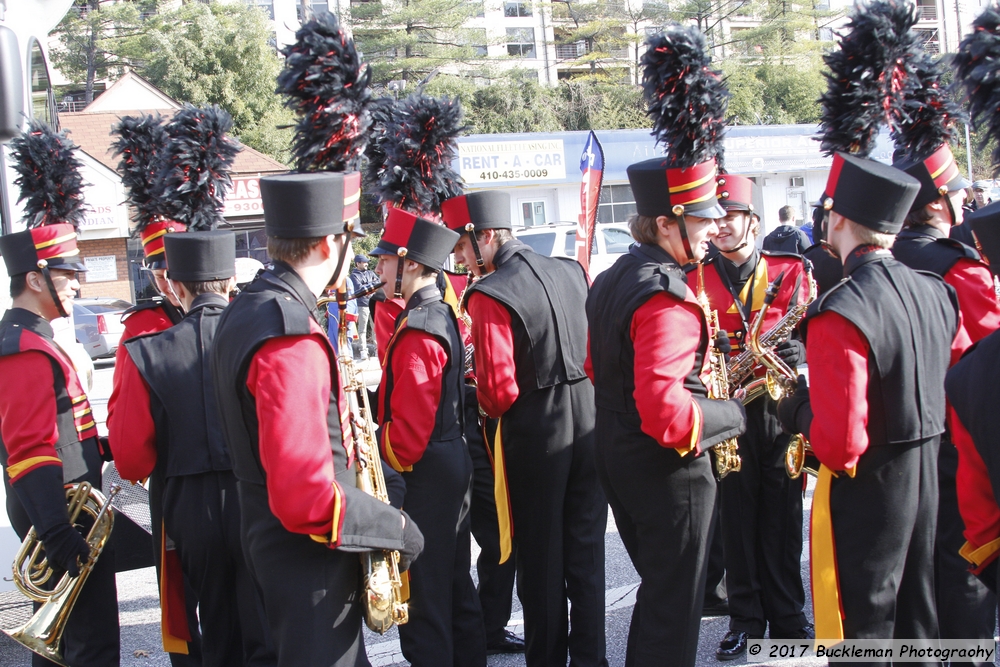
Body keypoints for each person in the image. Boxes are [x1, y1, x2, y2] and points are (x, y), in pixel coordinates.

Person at [211, 171, 424, 667]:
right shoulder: (289, 334)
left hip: (275, 542)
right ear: (332, 243)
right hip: (308, 558)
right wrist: (393, 526)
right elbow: (305, 495)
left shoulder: (249, 308)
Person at [777, 153, 969, 646]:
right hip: (933, 477)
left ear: (837, 218)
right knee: (919, 622)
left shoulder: (840, 310)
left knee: (867, 630)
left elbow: (841, 445)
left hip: (871, 491)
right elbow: (961, 385)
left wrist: (796, 407)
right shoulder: (937, 291)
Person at [442, 189, 608, 667]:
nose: (460, 261)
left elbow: (498, 393)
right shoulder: (571, 269)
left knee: (540, 562)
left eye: (461, 248)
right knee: (586, 556)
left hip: (535, 431)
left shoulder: (489, 292)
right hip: (588, 417)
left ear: (486, 237)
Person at [110, 231, 277, 667]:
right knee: (266, 622)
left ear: (177, 287)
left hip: (188, 504)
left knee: (216, 627)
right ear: (228, 283)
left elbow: (130, 459)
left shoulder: (146, 348)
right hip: (258, 494)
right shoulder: (265, 334)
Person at [0, 122, 119, 666]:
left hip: (70, 512)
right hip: (61, 520)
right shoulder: (24, 350)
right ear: (34, 278)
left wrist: (110, 447)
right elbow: (29, 450)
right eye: (68, 274)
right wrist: (55, 531)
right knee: (87, 648)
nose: (78, 284)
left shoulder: (37, 342)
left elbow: (68, 431)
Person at [700, 174, 813, 660]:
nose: (722, 225)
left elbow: (816, 329)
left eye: (732, 216)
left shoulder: (791, 270)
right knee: (736, 521)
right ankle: (745, 620)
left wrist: (800, 346)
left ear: (754, 221)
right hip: (729, 410)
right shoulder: (696, 277)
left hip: (781, 408)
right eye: (716, 217)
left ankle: (788, 616)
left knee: (784, 520)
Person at [892, 143, 1000, 648]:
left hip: (896, 443)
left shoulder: (883, 259)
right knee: (965, 576)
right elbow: (987, 371)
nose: (963, 200)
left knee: (914, 576)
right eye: (956, 192)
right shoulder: (963, 269)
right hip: (957, 446)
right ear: (938, 203)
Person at [370, 209, 486, 667]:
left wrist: (375, 453)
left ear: (410, 263)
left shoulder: (418, 327)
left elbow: (408, 439)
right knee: (455, 587)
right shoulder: (437, 312)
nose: (377, 270)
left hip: (426, 473)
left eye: (384, 261)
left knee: (424, 598)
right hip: (448, 461)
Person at [350, 254, 380, 358]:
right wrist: (371, 286)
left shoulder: (371, 272)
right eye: (364, 262)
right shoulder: (353, 276)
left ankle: (377, 350)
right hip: (362, 305)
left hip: (373, 303)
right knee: (362, 329)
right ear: (358, 263)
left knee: (375, 328)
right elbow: (359, 288)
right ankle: (363, 350)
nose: (366, 263)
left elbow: (378, 282)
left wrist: (367, 288)